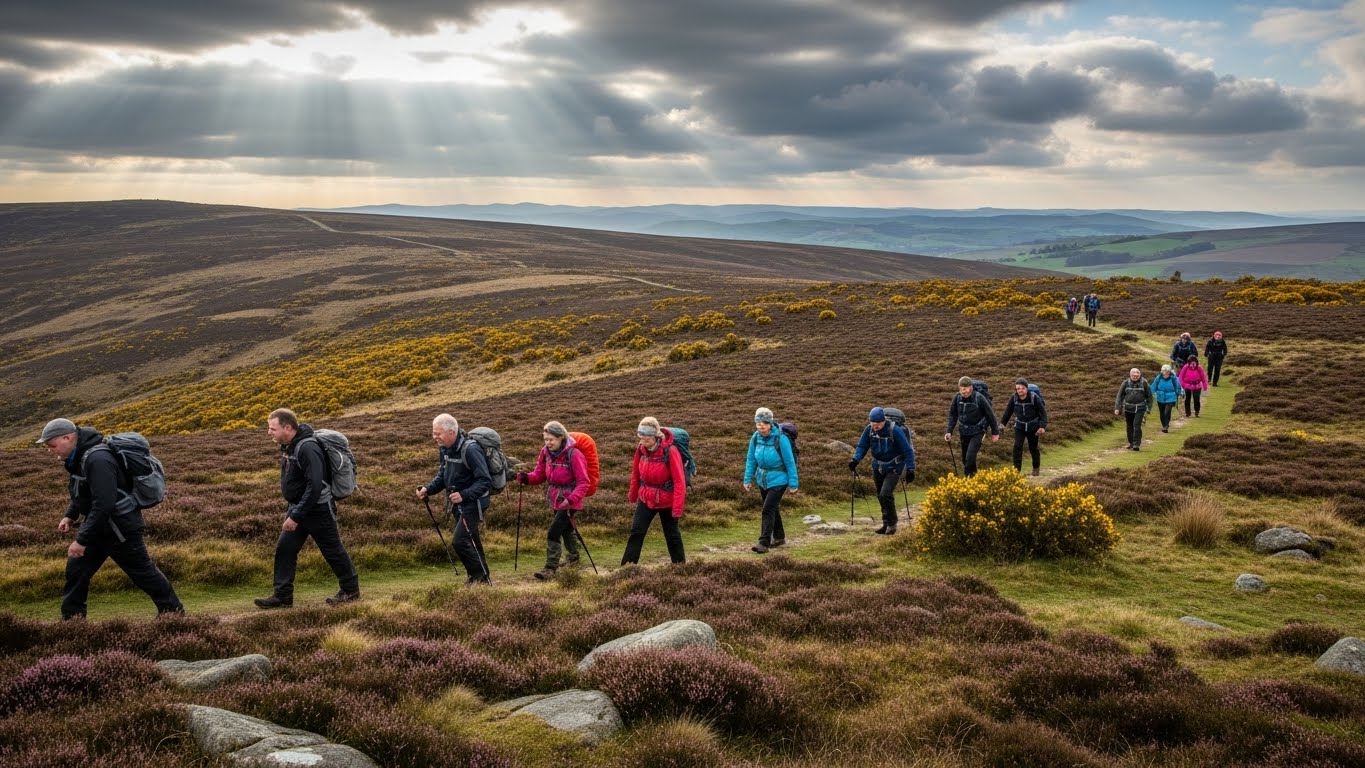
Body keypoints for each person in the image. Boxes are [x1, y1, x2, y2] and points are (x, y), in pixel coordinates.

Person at [39, 418, 184, 620]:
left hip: (120, 530)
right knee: (76, 572)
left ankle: (173, 614)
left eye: (52, 445)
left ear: (68, 437)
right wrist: (70, 515)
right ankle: (72, 623)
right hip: (100, 528)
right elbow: (85, 491)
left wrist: (81, 540)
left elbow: (104, 503)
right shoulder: (81, 456)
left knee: (144, 574)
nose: (50, 450)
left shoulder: (97, 459)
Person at [416, 413, 492, 586]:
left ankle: (480, 579)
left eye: (438, 433)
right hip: (458, 503)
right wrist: (428, 489)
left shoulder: (470, 449)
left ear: (452, 432)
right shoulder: (445, 449)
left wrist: (464, 495)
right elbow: (443, 475)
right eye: (434, 433)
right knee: (472, 539)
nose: (434, 437)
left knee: (460, 540)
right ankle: (478, 576)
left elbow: (485, 480)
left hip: (474, 502)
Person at [517, 421, 585, 580]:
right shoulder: (545, 452)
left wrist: (571, 499)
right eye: (545, 439)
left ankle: (550, 568)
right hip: (555, 497)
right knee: (566, 528)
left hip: (570, 499)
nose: (548, 443)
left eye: (551, 439)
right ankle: (574, 557)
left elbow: (584, 482)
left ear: (561, 437)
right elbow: (539, 475)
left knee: (553, 532)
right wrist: (526, 478)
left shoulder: (574, 454)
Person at [623, 416, 687, 565]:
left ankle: (680, 567)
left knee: (672, 535)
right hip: (646, 498)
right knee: (636, 532)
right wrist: (633, 494)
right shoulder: (641, 450)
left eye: (647, 439)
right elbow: (635, 474)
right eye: (641, 438)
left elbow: (679, 481)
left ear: (655, 436)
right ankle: (628, 567)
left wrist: (677, 508)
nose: (643, 442)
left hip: (667, 500)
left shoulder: (670, 451)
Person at [848, 407, 916, 534]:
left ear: (883, 421)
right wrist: (855, 460)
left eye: (878, 423)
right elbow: (862, 446)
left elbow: (907, 450)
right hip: (877, 466)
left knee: (885, 494)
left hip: (894, 466)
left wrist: (911, 469)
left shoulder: (894, 430)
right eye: (873, 423)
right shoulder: (869, 430)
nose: (875, 426)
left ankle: (892, 524)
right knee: (880, 495)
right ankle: (885, 523)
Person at [743, 407, 799, 554]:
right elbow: (751, 459)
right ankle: (779, 537)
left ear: (770, 423)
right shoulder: (755, 437)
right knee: (772, 508)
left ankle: (763, 543)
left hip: (779, 479)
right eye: (758, 423)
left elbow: (790, 462)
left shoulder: (781, 439)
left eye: (764, 423)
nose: (761, 426)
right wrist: (748, 479)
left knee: (767, 510)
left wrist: (793, 483)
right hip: (762, 479)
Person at [945, 377, 1001, 477]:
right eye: (961, 388)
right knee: (965, 459)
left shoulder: (979, 398)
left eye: (965, 388)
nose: (963, 391)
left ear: (971, 388)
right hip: (963, 432)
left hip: (978, 431)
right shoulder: (957, 398)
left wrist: (995, 432)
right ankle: (974, 479)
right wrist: (949, 431)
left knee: (970, 457)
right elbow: (953, 415)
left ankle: (968, 480)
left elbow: (990, 415)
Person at [1000, 378, 1048, 476]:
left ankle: (1036, 468)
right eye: (1018, 388)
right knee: (1017, 447)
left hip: (1033, 427)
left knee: (1033, 448)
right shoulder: (1013, 398)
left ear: (1026, 389)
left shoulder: (1034, 398)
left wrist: (1042, 426)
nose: (1020, 390)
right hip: (1019, 427)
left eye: (1022, 388)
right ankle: (1016, 471)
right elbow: (1008, 412)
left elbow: (1043, 413)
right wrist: (1002, 424)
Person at [1114, 368, 1153, 450]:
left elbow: (1149, 396)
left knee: (1136, 425)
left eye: (1137, 375)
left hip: (1140, 408)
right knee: (1129, 426)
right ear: (1130, 375)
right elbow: (1120, 396)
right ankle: (1131, 442)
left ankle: (1136, 444)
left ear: (1139, 375)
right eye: (1133, 375)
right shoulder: (1125, 383)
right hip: (1128, 408)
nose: (1135, 377)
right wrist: (1117, 408)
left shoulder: (1144, 383)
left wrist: (1149, 408)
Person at [1151, 364, 1183, 433]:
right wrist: (1149, 393)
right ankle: (1164, 425)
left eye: (1166, 370)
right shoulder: (1159, 377)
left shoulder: (1173, 378)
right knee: (1162, 413)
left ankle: (1166, 426)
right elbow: (1154, 385)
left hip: (1171, 397)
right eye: (1163, 370)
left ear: (1169, 371)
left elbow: (1178, 386)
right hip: (1160, 397)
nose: (1164, 372)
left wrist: (1180, 393)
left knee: (1167, 412)